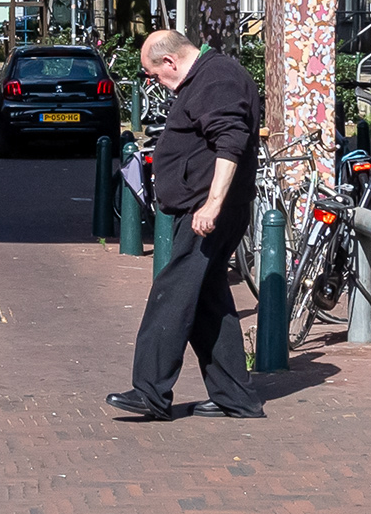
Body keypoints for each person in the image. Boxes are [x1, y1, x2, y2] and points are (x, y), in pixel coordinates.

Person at [110, 28, 267, 422]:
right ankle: (236, 397)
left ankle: (150, 391)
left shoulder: (218, 80)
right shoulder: (207, 78)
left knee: (173, 292)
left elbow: (231, 143)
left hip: (208, 212)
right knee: (208, 300)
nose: (156, 83)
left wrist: (211, 205)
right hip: (201, 207)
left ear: (170, 61)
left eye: (155, 75)